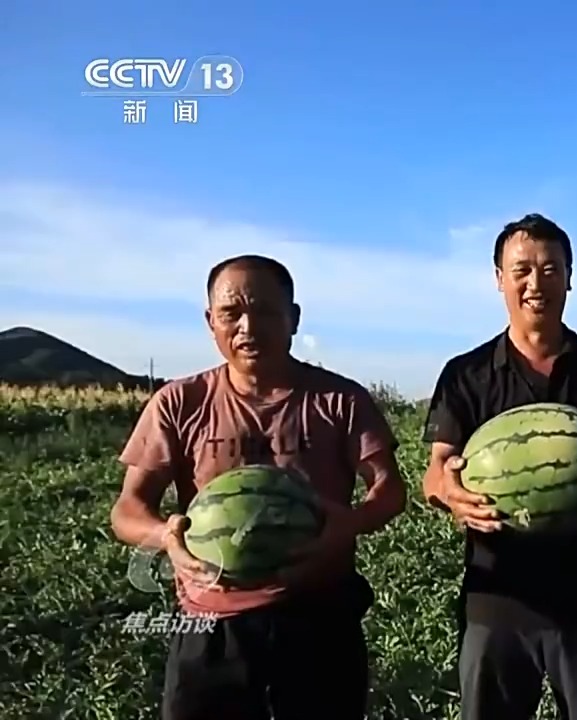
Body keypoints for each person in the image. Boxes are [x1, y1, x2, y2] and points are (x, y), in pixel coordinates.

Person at [109, 254, 408, 720]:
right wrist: (165, 537)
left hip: (320, 616)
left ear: (294, 319)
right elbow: (127, 509)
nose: (248, 327)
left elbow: (389, 490)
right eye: (231, 313)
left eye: (266, 311)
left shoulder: (341, 400)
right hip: (212, 623)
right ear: (211, 321)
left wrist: (348, 524)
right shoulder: (179, 402)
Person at [421, 213, 577, 720]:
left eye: (551, 269)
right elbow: (437, 471)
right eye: (522, 270)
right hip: (498, 601)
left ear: (569, 278)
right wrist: (453, 495)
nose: (536, 283)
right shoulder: (465, 374)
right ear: (499, 279)